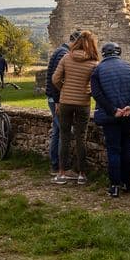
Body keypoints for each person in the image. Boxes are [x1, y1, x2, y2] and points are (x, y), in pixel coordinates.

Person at [90, 42, 130, 198]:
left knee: (113, 150)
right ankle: (127, 182)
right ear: (118, 52)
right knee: (125, 147)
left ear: (104, 54)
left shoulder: (97, 71)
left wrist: (113, 111)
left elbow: (97, 94)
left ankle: (114, 186)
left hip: (110, 117)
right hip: (128, 116)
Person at [51, 30, 99, 185]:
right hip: (83, 103)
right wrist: (87, 92)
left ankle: (62, 173)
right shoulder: (93, 63)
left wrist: (64, 89)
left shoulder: (66, 57)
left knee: (64, 137)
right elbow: (96, 86)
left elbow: (55, 78)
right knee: (81, 138)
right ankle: (81, 174)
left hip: (65, 102)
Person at [46, 29, 81, 176]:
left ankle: (55, 166)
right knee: (64, 133)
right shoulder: (63, 54)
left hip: (53, 99)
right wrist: (59, 101)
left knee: (57, 131)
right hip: (57, 100)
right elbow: (56, 80)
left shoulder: (60, 50)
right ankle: (63, 169)